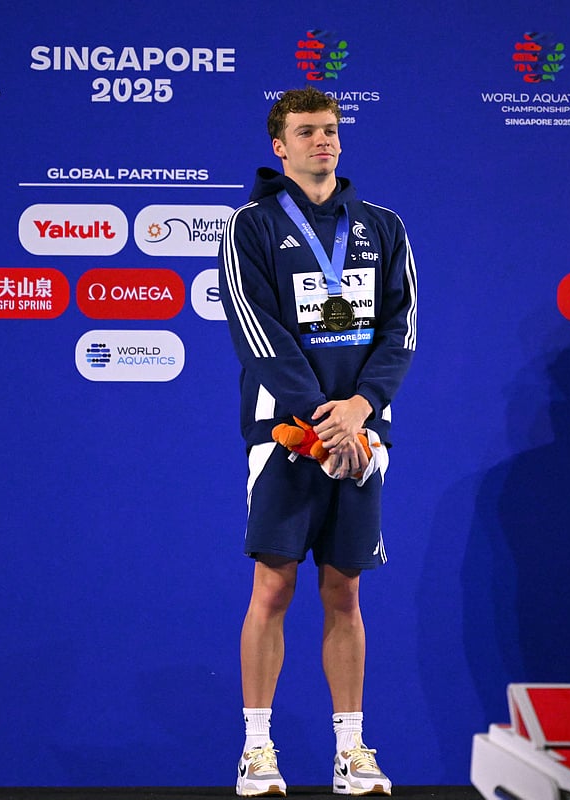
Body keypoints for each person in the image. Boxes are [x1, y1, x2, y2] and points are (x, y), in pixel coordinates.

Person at [218, 86, 418, 797]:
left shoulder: (383, 225)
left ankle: (351, 752)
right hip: (285, 434)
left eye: (330, 130)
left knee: (346, 590)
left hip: (362, 436)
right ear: (280, 145)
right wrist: (320, 420)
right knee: (273, 587)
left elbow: (402, 332)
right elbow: (256, 331)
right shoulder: (250, 226)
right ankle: (258, 750)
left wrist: (359, 410)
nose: (323, 142)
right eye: (307, 132)